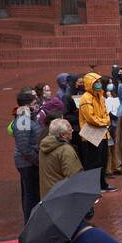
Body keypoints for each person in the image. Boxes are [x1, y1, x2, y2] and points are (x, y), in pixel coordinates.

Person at [75, 72, 113, 190]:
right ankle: (93, 186)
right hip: (91, 134)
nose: (99, 84)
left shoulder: (100, 96)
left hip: (102, 133)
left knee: (103, 160)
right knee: (93, 162)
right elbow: (90, 118)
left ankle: (102, 184)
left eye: (99, 82)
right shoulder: (86, 98)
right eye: (96, 82)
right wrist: (104, 122)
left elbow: (106, 112)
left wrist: (106, 120)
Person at [11, 89, 43, 221]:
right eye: (34, 103)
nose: (37, 105)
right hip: (27, 164)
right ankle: (30, 221)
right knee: (31, 195)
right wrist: (37, 161)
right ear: (26, 105)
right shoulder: (23, 121)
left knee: (33, 193)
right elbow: (24, 148)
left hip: (31, 162)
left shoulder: (30, 117)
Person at [38, 117, 82, 198]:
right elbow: (73, 176)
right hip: (63, 195)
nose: (72, 131)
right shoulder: (66, 150)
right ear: (62, 135)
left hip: (48, 193)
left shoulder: (43, 146)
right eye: (69, 130)